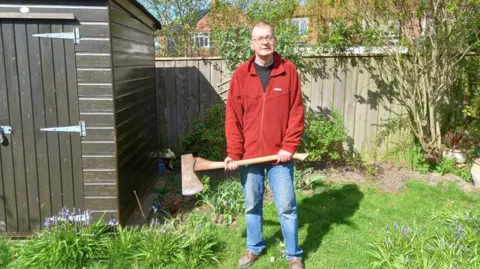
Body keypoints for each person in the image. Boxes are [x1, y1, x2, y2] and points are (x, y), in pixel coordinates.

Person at [224, 22, 305, 269]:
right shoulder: (241, 75)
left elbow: (296, 112)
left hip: (280, 156)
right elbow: (233, 117)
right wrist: (234, 154)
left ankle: (293, 254)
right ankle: (255, 247)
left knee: (287, 206)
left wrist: (289, 146)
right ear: (252, 44)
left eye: (268, 37)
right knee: (252, 205)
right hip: (250, 157)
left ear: (274, 41)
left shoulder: (288, 71)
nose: (264, 42)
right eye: (259, 38)